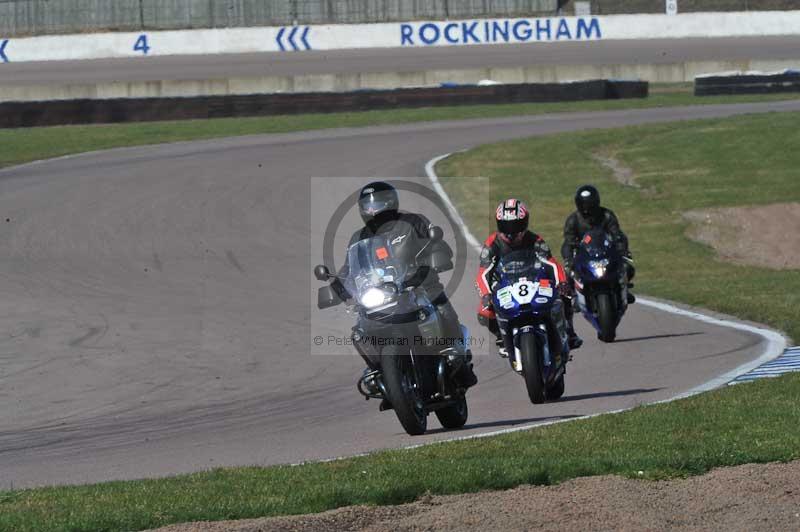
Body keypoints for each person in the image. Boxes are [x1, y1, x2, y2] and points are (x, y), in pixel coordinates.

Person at [333, 181, 478, 391]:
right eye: (370, 204)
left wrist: (438, 255)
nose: (375, 208)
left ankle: (458, 359)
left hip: (420, 287)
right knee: (360, 331)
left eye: (381, 202)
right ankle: (378, 370)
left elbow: (436, 243)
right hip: (381, 295)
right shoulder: (359, 238)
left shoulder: (413, 222)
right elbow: (349, 268)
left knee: (443, 311)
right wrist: (336, 287)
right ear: (362, 209)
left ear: (391, 201)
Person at [476, 198, 583, 355]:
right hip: (504, 285)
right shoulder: (492, 243)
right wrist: (486, 295)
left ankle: (569, 331)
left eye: (516, 226)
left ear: (524, 223)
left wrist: (562, 283)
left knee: (564, 298)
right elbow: (483, 273)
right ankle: (502, 336)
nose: (511, 232)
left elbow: (552, 263)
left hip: (534, 281)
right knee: (484, 311)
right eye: (506, 226)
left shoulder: (535, 240)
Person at [561, 184, 636, 304]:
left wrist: (622, 250)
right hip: (584, 255)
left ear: (596, 202)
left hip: (605, 252)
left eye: (590, 203)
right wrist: (569, 259)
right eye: (584, 204)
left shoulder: (607, 215)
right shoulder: (573, 220)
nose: (587, 207)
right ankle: (574, 295)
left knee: (627, 266)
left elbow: (617, 234)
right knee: (568, 271)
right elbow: (568, 240)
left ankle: (624, 289)